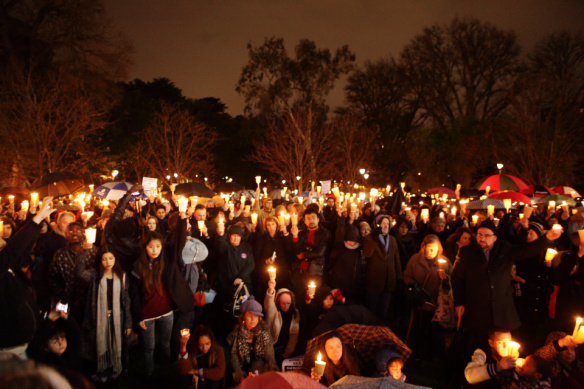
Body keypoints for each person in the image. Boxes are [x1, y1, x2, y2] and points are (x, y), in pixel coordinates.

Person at [451, 218, 562, 352]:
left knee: (503, 344)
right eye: (480, 235)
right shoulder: (467, 252)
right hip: (477, 308)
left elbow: (527, 250)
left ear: (495, 237)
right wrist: (459, 302)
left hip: (502, 307)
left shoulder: (504, 249)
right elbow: (457, 278)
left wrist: (548, 238)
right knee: (478, 344)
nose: (482, 238)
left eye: (487, 235)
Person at [131, 219, 195, 376]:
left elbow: (178, 243)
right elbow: (134, 294)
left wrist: (181, 218)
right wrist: (138, 316)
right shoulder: (138, 267)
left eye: (158, 246)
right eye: (151, 246)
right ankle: (150, 374)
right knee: (149, 347)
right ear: (145, 247)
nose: (154, 250)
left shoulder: (166, 262)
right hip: (147, 315)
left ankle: (166, 371)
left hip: (166, 312)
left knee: (165, 343)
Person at [0, 197, 55, 358]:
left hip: (23, 342)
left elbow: (20, 248)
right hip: (8, 348)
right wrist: (35, 219)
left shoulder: (10, 267)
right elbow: (14, 249)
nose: (4, 244)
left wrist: (37, 221)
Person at [82, 249, 132, 382]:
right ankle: (102, 369)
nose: (108, 262)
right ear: (100, 261)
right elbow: (79, 273)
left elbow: (126, 301)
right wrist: (85, 251)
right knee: (101, 342)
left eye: (111, 258)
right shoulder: (95, 275)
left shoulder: (122, 276)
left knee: (116, 341)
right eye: (104, 259)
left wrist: (128, 322)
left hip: (118, 316)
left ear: (115, 259)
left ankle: (115, 368)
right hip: (100, 316)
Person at [48, 221, 97, 323]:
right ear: (66, 234)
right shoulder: (60, 254)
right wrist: (62, 294)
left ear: (83, 234)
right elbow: (52, 277)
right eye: (71, 231)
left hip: (88, 301)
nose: (74, 233)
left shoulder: (93, 252)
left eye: (78, 230)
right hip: (67, 302)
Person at [362, 214, 401, 320]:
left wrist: (399, 276)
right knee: (371, 308)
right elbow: (367, 254)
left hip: (388, 282)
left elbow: (396, 259)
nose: (385, 226)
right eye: (383, 224)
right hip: (375, 281)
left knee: (383, 309)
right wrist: (374, 238)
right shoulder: (370, 238)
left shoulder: (392, 239)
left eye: (387, 224)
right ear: (377, 225)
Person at [230, 297, 277, 383]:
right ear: (243, 317)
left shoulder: (264, 334)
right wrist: (241, 377)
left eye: (256, 316)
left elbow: (270, 359)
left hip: (261, 372)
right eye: (249, 316)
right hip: (242, 371)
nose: (253, 319)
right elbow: (234, 358)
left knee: (258, 363)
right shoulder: (237, 334)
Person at [290, 207, 331, 296]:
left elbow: (320, 252)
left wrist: (304, 254)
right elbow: (296, 251)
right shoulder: (302, 233)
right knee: (299, 295)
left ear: (318, 219)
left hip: (315, 271)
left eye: (313, 218)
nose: (311, 220)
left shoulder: (324, 233)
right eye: (308, 218)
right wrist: (295, 236)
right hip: (300, 270)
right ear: (304, 221)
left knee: (313, 296)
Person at [264, 279, 300, 366]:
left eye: (288, 303)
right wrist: (271, 289)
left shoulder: (295, 313)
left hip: (284, 347)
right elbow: (269, 301)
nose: (286, 306)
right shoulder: (273, 310)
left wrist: (289, 351)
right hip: (270, 346)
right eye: (283, 303)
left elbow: (294, 333)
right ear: (278, 302)